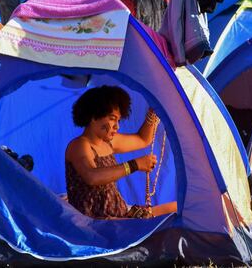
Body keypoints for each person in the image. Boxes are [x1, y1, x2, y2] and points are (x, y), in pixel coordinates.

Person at [65, 85, 176, 219]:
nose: (117, 126)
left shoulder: (109, 142)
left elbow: (143, 139)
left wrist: (153, 113)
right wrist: (134, 165)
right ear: (94, 117)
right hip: (100, 223)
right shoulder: (80, 145)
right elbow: (92, 176)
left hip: (121, 214)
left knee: (177, 207)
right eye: (112, 119)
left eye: (118, 120)